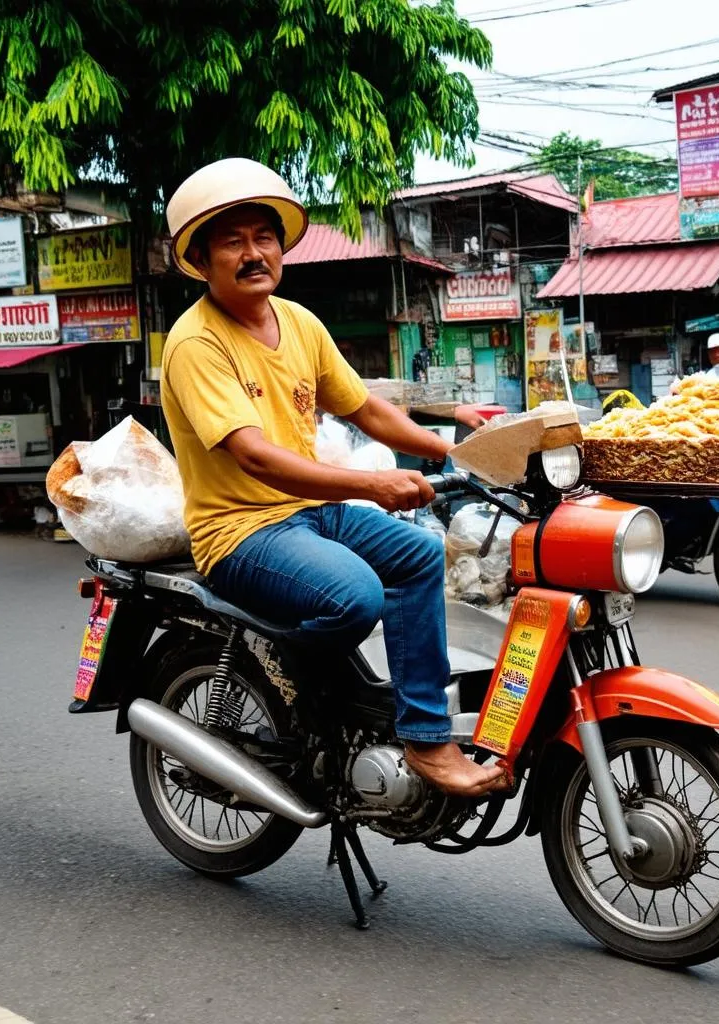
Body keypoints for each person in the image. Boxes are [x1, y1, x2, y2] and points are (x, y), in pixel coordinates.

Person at [160, 158, 505, 798]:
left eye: (263, 237)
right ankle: (288, 683)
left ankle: (426, 738)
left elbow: (368, 410)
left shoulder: (298, 322)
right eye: (231, 241)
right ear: (202, 259)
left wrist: (468, 450)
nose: (252, 253)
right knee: (355, 596)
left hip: (309, 514)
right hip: (239, 532)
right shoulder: (195, 343)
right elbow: (255, 456)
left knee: (419, 556)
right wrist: (372, 487)